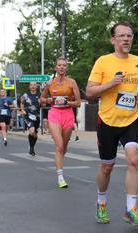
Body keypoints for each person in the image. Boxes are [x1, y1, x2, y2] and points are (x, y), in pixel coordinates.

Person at [86, 21, 138, 225]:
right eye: (121, 36)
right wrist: (110, 84)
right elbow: (90, 92)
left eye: (129, 36)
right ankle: (101, 203)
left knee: (133, 160)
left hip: (131, 119)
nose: (126, 39)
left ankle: (131, 209)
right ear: (113, 40)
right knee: (107, 167)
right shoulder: (103, 62)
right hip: (108, 120)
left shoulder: (137, 61)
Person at [40, 57, 81, 188]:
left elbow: (78, 103)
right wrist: (49, 100)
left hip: (68, 114)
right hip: (54, 114)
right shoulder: (49, 83)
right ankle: (60, 177)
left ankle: (59, 160)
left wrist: (66, 102)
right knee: (59, 145)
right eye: (59, 65)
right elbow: (41, 99)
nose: (62, 67)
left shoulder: (72, 82)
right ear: (56, 68)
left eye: (64, 65)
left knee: (64, 146)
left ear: (66, 67)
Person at [20, 82, 41, 156]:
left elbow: (43, 104)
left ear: (36, 86)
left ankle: (32, 147)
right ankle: (31, 148)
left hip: (37, 116)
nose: (33, 86)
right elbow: (22, 103)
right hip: (28, 116)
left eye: (34, 85)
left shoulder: (40, 95)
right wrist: (22, 110)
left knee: (35, 134)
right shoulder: (25, 95)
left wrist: (41, 102)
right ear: (29, 87)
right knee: (32, 131)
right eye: (31, 85)